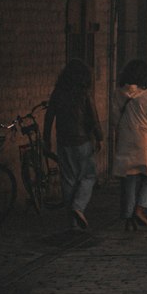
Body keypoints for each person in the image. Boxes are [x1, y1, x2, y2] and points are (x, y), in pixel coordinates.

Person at [43, 58, 103, 231]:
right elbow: (93, 117)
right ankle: (78, 207)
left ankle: (73, 223)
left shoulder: (58, 92)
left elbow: (48, 117)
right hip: (82, 141)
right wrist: (99, 137)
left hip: (64, 141)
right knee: (89, 176)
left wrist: (46, 140)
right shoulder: (84, 93)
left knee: (68, 180)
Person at [113, 58, 147, 229]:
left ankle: (128, 218)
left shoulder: (117, 93)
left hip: (125, 140)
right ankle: (139, 208)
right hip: (145, 140)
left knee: (129, 178)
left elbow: (114, 118)